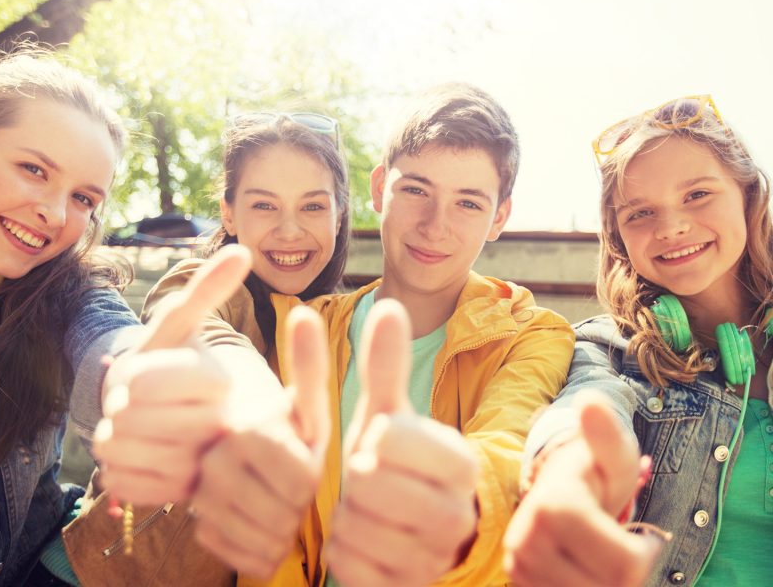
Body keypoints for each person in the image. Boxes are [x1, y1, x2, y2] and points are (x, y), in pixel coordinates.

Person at [191, 82, 576, 586]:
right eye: (415, 190)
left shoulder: (533, 336)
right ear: (377, 190)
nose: (435, 225)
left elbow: (508, 440)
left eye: (468, 203)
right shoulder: (307, 328)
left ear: (500, 216)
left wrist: (454, 499)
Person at [62, 112, 350, 586]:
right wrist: (262, 412)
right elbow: (204, 337)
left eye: (314, 207)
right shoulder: (199, 285)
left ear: (340, 215)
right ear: (229, 213)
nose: (291, 230)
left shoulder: (339, 321)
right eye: (264, 206)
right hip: (96, 574)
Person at [503, 95, 773, 587]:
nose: (670, 227)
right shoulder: (609, 350)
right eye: (640, 213)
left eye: (697, 195)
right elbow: (587, 409)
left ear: (749, 195)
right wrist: (567, 478)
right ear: (619, 238)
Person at [0, 50, 142, 587]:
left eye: (84, 198)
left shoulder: (67, 288)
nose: (54, 213)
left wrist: (147, 379)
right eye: (33, 169)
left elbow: (112, 337)